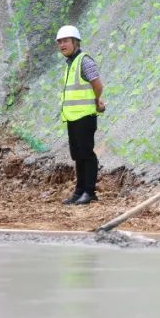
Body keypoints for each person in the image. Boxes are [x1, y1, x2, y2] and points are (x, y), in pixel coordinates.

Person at [55, 25, 105, 205]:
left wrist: (97, 100)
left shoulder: (84, 61)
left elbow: (97, 85)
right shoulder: (70, 64)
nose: (62, 45)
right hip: (72, 117)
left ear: (75, 42)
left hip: (85, 116)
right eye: (60, 42)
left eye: (66, 41)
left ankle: (90, 192)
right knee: (77, 155)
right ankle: (79, 191)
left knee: (86, 154)